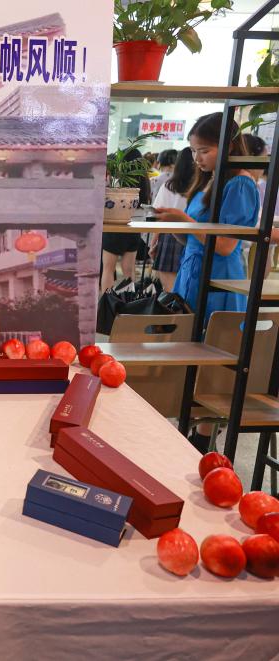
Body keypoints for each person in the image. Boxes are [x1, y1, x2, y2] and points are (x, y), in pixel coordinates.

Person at [153, 112, 260, 452]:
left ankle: (201, 437)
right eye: (194, 151)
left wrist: (184, 220)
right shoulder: (210, 180)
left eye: (204, 150)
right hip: (193, 274)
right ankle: (191, 430)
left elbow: (225, 245)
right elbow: (195, 239)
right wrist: (176, 226)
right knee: (189, 352)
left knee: (211, 358)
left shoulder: (239, 184)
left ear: (228, 147)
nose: (197, 158)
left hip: (219, 281)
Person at [102, 147, 151, 293]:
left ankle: (106, 301)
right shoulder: (144, 183)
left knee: (108, 269)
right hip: (133, 228)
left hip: (114, 227)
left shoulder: (117, 182)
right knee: (129, 270)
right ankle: (129, 301)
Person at [150, 147, 195, 291]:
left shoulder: (168, 186)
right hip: (195, 236)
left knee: (169, 290)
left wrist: (154, 242)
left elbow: (159, 215)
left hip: (169, 236)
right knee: (187, 287)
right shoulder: (202, 187)